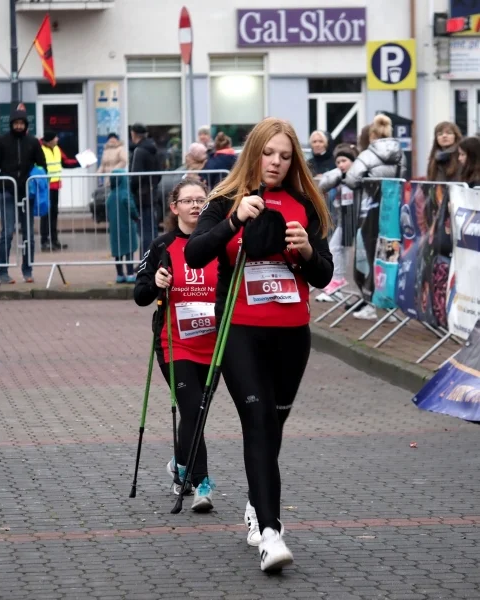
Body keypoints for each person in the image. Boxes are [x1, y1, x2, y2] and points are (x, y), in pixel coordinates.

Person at [185, 117, 333, 572]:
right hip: (240, 331)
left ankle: (256, 502)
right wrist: (234, 221)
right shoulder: (226, 199)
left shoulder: (304, 202)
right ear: (255, 153)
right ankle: (270, 532)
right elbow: (195, 254)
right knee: (257, 422)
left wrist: (307, 251)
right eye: (269, 153)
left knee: (275, 425)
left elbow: (324, 274)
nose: (276, 162)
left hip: (292, 333)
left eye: (285, 156)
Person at [134, 178, 217, 512]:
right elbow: (140, 295)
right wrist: (155, 282)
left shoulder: (219, 242)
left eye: (201, 200)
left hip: (214, 343)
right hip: (175, 343)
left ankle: (180, 466)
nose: (195, 206)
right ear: (174, 207)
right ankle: (202, 484)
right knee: (194, 408)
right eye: (188, 201)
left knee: (196, 412)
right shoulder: (162, 246)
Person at [345, 113, 407, 321]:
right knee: (389, 256)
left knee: (370, 256)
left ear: (372, 135)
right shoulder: (400, 153)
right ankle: (388, 305)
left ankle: (371, 303)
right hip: (392, 208)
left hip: (370, 208)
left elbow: (351, 179)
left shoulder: (368, 154)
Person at [0, 109, 47, 284]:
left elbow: (42, 164)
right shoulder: (1, 141)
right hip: (8, 192)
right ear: (12, 124)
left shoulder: (32, 142)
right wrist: (2, 187)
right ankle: (3, 271)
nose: (19, 126)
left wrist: (33, 183)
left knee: (28, 233)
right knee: (7, 233)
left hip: (26, 194)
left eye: (22, 124)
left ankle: (27, 270)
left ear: (26, 125)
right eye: (16, 124)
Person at [316, 143, 359, 301]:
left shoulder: (358, 174)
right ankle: (337, 283)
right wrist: (338, 174)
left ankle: (341, 283)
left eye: (344, 161)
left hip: (356, 218)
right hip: (345, 217)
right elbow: (323, 185)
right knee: (336, 248)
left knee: (341, 250)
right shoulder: (339, 175)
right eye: (338, 162)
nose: (341, 165)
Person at [40, 130, 80, 252]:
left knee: (54, 213)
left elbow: (66, 162)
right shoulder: (40, 150)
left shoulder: (57, 149)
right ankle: (45, 241)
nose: (57, 139)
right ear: (49, 140)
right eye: (55, 138)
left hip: (55, 185)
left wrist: (80, 163)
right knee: (45, 215)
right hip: (44, 186)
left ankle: (54, 240)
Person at [129, 123, 162, 254]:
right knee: (151, 229)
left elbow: (135, 176)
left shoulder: (139, 151)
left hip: (141, 196)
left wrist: (132, 190)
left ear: (133, 134)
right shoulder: (153, 149)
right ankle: (153, 258)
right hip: (151, 193)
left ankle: (146, 260)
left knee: (144, 230)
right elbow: (159, 173)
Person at [106, 169, 139, 283]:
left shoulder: (110, 196)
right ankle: (130, 274)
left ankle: (120, 275)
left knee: (118, 253)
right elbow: (132, 208)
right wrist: (136, 217)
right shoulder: (125, 194)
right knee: (129, 251)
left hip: (115, 229)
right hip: (127, 227)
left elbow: (108, 213)